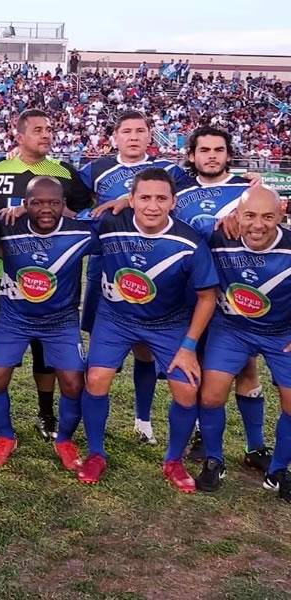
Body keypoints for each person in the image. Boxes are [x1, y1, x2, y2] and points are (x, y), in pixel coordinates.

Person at [79, 168, 218, 493]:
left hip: (168, 323)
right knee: (96, 379)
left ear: (173, 202)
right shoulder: (110, 224)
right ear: (132, 199)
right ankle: (96, 453)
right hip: (115, 318)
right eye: (144, 197)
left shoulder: (189, 242)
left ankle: (174, 460)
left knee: (186, 390)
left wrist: (188, 345)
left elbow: (207, 297)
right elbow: (62, 223)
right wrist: (20, 210)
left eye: (161, 198)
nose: (152, 206)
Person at [0, 109, 92, 440]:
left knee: (47, 355)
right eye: (38, 130)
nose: (46, 135)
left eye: (49, 129)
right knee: (4, 354)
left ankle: (46, 412)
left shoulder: (63, 172)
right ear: (19, 135)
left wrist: (61, 211)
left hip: (55, 276)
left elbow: (85, 211)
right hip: (5, 273)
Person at [80, 110, 188, 445]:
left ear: (149, 135)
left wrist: (130, 199)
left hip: (158, 267)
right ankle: (96, 432)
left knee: (146, 349)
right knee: (104, 347)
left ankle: (143, 420)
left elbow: (191, 197)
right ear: (115, 136)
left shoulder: (170, 171)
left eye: (140, 130)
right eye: (126, 131)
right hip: (111, 265)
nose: (133, 136)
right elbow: (71, 207)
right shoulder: (94, 170)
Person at [175, 126, 271, 469]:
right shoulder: (178, 189)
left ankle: (256, 446)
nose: (212, 155)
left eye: (219, 149)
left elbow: (269, 228)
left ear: (229, 154)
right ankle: (202, 434)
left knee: (246, 368)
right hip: (193, 294)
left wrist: (245, 213)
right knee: (199, 366)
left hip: (236, 292)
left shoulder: (248, 189)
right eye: (204, 150)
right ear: (192, 156)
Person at [196, 186, 291, 500]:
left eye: (267, 216)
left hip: (281, 333)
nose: (258, 224)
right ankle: (214, 460)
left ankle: (277, 471)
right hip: (231, 328)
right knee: (210, 396)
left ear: (281, 215)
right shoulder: (219, 238)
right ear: (236, 215)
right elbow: (181, 228)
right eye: (249, 215)